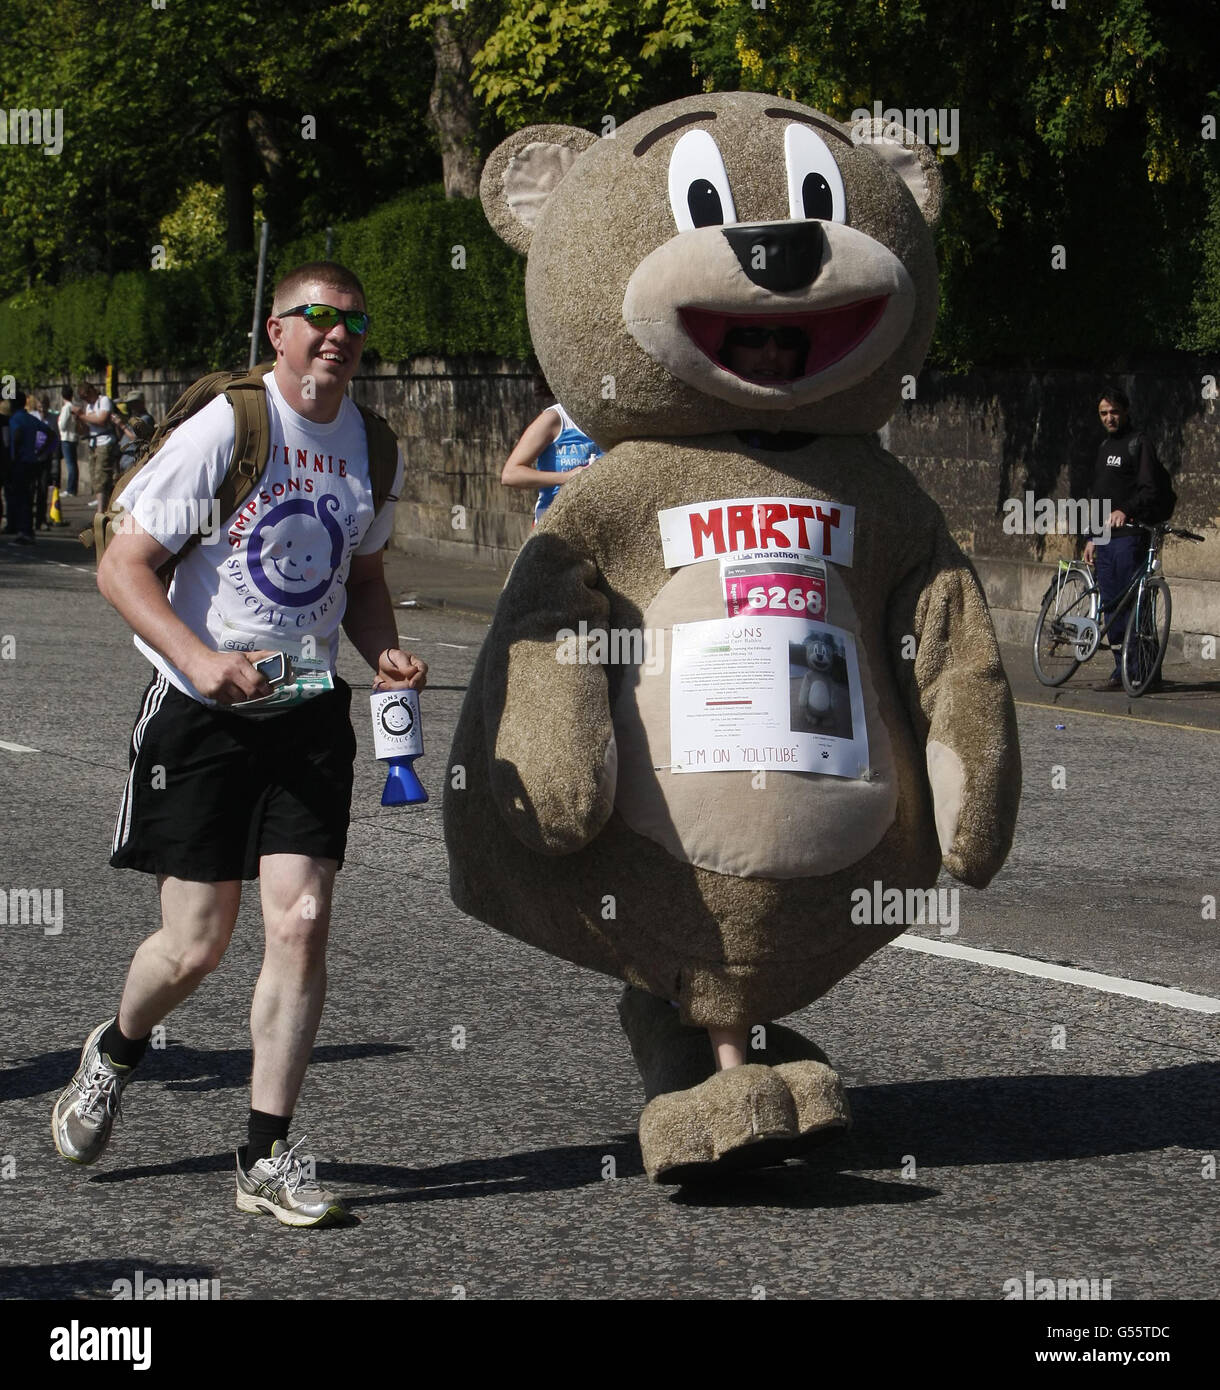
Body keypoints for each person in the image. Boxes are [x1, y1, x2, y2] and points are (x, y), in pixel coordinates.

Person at [52, 261, 429, 1228]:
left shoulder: (371, 448)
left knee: (300, 922)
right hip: (200, 715)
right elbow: (123, 565)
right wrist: (200, 657)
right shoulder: (231, 424)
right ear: (278, 330)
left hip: (307, 716)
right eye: (317, 318)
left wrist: (381, 648)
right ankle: (118, 1048)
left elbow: (366, 572)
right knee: (195, 945)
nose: (337, 335)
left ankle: (265, 1154)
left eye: (352, 320)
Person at [1082, 387, 1164, 692]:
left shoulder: (1138, 444)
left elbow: (1149, 489)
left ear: (1125, 411)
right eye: (1103, 413)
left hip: (1130, 536)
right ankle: (1121, 671)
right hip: (1105, 539)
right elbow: (1100, 497)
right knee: (1111, 606)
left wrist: (1125, 511)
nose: (1109, 417)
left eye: (1114, 411)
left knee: (1134, 605)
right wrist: (1092, 537)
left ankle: (1143, 670)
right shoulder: (1104, 446)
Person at [500, 381, 601, 524]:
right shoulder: (554, 418)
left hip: (598, 525)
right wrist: (566, 477)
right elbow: (510, 475)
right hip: (553, 525)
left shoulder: (613, 421)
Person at [3, 392, 41, 544]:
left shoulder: (15, 419)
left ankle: (24, 532)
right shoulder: (31, 418)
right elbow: (50, 434)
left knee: (21, 497)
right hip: (32, 461)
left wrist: (14, 456)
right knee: (28, 496)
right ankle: (26, 529)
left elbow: (17, 436)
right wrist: (41, 451)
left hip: (19, 463)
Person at [77, 382, 121, 512]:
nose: (86, 399)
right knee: (95, 477)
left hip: (105, 441)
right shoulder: (89, 406)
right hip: (93, 443)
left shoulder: (104, 401)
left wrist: (83, 416)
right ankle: (103, 507)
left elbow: (101, 420)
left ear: (92, 391)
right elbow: (85, 428)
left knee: (102, 476)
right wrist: (80, 420)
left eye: (86, 396)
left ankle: (100, 511)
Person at [58, 387, 80, 496]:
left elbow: (62, 425)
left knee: (70, 464)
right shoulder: (73, 407)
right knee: (73, 464)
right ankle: (73, 488)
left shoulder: (66, 407)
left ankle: (70, 489)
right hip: (73, 437)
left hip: (66, 437)